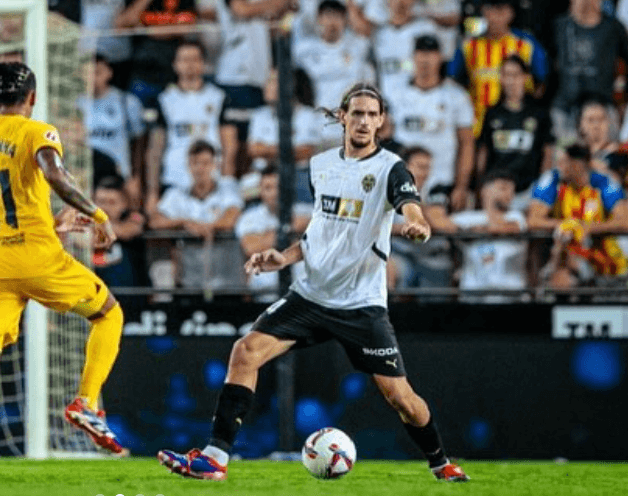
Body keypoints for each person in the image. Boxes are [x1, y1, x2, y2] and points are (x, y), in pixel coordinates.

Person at [156, 83, 470, 482]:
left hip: (360, 305)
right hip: (309, 295)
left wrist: (416, 224)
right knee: (245, 351)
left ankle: (441, 462)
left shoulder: (391, 168)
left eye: (372, 114)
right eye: (356, 113)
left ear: (381, 121)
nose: (364, 121)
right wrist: (283, 257)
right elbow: (321, 231)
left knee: (401, 399)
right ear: (342, 117)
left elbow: (412, 209)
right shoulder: (321, 166)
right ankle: (215, 458)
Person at [0, 62, 126, 454]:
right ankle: (86, 403)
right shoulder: (38, 131)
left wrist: (50, 224)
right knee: (108, 313)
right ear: (32, 99)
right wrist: (98, 214)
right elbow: (54, 174)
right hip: (39, 261)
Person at [145, 41, 238, 213]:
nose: (190, 65)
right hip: (174, 179)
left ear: (203, 64)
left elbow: (229, 145)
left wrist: (226, 181)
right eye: (184, 60)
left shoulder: (219, 97)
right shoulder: (164, 99)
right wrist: (152, 192)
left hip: (212, 179)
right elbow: (155, 149)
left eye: (195, 59)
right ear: (175, 64)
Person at [388, 35, 475, 212]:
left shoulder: (457, 96)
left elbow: (467, 143)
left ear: (440, 57)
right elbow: (386, 138)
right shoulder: (395, 94)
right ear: (413, 57)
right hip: (404, 180)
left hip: (443, 181)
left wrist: (461, 186)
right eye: (420, 53)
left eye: (431, 54)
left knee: (437, 225)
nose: (425, 59)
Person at [528, 144, 628, 288]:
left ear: (579, 164)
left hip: (600, 252)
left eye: (564, 162)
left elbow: (625, 221)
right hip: (566, 253)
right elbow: (533, 220)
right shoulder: (553, 179)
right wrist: (570, 224)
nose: (559, 166)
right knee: (560, 271)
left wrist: (591, 227)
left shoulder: (603, 182)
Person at [149, 140, 243, 288]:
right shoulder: (177, 194)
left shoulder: (227, 188)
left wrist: (206, 227)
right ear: (188, 165)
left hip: (226, 280)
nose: (200, 168)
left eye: (205, 163)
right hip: (190, 280)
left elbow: (231, 217)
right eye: (195, 163)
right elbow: (155, 221)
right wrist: (184, 223)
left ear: (215, 165)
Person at [448, 0, 549, 137]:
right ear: (484, 12)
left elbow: (541, 83)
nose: (494, 16)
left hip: (518, 128)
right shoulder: (468, 45)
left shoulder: (527, 45)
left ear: (511, 13)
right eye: (490, 10)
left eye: (500, 10)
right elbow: (453, 81)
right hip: (477, 127)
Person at [476, 55, 555, 211]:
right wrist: (481, 185)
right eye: (506, 75)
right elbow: (483, 152)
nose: (511, 80)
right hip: (496, 188)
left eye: (516, 75)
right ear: (501, 78)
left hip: (528, 188)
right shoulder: (492, 113)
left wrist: (541, 187)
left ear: (525, 77)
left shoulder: (539, 113)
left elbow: (548, 151)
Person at [294, 0, 375, 146]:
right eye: (327, 16)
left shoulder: (358, 46)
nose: (332, 22)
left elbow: (367, 31)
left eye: (337, 17)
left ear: (345, 20)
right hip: (316, 126)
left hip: (350, 126)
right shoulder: (303, 51)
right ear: (318, 19)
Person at [551, 0, 628, 139]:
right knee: (565, 157)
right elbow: (548, 63)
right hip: (565, 108)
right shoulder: (560, 25)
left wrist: (623, 100)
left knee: (605, 159)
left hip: (603, 108)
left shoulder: (613, 28)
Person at [235, 165, 311, 301]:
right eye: (268, 188)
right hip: (263, 295)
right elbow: (250, 247)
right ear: (260, 190)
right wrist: (289, 231)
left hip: (303, 296)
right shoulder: (249, 217)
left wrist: (266, 239)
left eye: (278, 187)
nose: (274, 193)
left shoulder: (305, 212)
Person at [450, 170, 528, 303]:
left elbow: (512, 228)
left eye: (512, 190)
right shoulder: (467, 217)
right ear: (485, 190)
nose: (509, 194)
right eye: (503, 188)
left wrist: (472, 231)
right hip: (474, 296)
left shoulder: (516, 216)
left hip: (511, 297)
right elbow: (439, 224)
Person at [76, 54, 146, 201]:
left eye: (98, 72)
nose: (93, 78)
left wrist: (136, 175)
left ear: (109, 72)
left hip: (119, 174)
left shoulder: (127, 102)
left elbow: (138, 142)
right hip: (87, 174)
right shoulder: (76, 105)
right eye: (88, 72)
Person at [93, 175, 147, 288]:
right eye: (101, 202)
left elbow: (131, 229)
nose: (105, 208)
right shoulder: (82, 222)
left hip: (129, 297)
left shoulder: (134, 218)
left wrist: (101, 229)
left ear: (124, 204)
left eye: (112, 202)